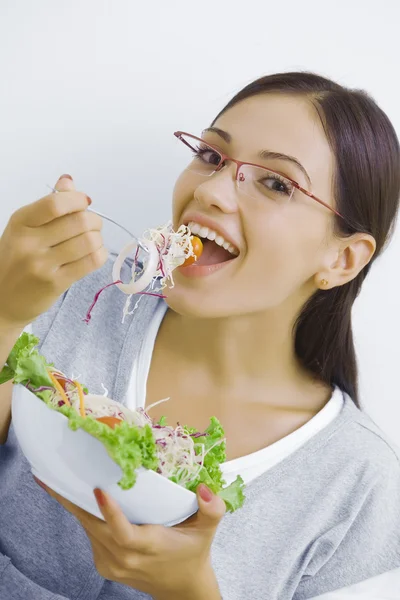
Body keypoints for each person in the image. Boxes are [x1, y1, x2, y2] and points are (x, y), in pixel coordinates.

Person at [1, 71, 400, 600]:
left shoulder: (358, 484)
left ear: (341, 259)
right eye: (211, 157)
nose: (209, 191)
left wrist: (190, 592)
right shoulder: (63, 294)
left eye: (276, 183)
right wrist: (4, 313)